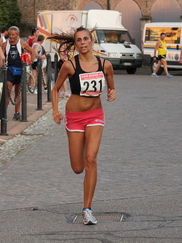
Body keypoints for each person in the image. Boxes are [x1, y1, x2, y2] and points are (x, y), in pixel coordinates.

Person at [49, 26, 116, 225]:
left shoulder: (105, 65)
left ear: (91, 41)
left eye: (86, 39)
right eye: (79, 40)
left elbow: (111, 87)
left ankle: (87, 209)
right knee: (78, 168)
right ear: (76, 44)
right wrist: (55, 110)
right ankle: (82, 151)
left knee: (91, 159)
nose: (83, 43)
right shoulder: (69, 65)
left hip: (95, 115)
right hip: (75, 117)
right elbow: (54, 89)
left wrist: (112, 93)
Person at [1, 26, 34, 121]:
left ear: (17, 35)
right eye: (9, 34)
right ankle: (4, 114)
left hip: (20, 70)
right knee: (7, 92)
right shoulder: (4, 44)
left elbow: (32, 52)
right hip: (9, 70)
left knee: (18, 93)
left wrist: (31, 60)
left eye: (13, 35)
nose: (11, 36)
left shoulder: (22, 43)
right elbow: (2, 56)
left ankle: (17, 112)